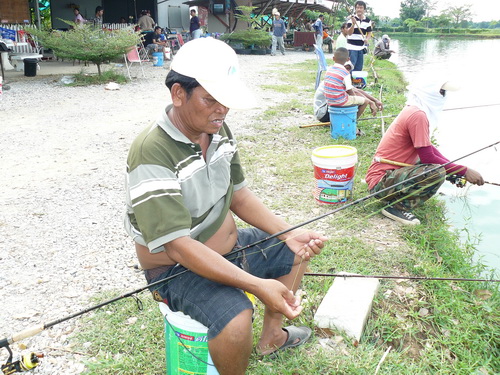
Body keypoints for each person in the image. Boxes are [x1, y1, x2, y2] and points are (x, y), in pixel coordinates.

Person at [124, 37, 327, 374]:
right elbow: (178, 245)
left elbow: (239, 195)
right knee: (235, 320)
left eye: (226, 100)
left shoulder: (217, 129)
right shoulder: (152, 151)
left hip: (229, 247)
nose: (222, 109)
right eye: (211, 99)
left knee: (296, 250)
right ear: (178, 93)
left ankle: (273, 337)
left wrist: (288, 232)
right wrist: (257, 286)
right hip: (176, 270)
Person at [365, 78, 484, 225]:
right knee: (436, 172)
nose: (443, 96)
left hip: (388, 177)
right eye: (441, 92)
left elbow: (432, 151)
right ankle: (396, 208)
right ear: (429, 91)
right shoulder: (418, 116)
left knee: (438, 168)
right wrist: (464, 170)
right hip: (380, 183)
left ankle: (398, 201)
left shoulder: (415, 110)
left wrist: (455, 172)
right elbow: (428, 157)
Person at [314, 60, 382, 123]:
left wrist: (375, 100)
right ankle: (351, 123)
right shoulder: (339, 77)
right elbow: (354, 93)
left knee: (356, 99)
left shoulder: (336, 76)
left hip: (325, 111)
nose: (347, 70)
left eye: (348, 69)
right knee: (362, 101)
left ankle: (346, 121)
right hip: (323, 113)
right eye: (345, 68)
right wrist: (370, 102)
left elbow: (357, 90)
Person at [324, 47, 378, 125]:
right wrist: (356, 101)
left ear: (333, 58)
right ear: (348, 59)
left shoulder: (329, 70)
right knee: (365, 101)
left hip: (329, 101)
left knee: (356, 99)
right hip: (340, 101)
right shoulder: (345, 73)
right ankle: (352, 122)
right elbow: (350, 91)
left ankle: (349, 120)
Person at [346, 1, 372, 72]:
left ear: (364, 9)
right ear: (355, 9)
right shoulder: (351, 19)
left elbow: (369, 32)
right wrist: (353, 24)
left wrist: (367, 39)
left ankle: (356, 82)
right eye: (357, 8)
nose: (359, 9)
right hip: (352, 48)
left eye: (361, 8)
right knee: (350, 67)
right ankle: (348, 82)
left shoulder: (368, 21)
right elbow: (349, 33)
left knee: (359, 68)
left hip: (361, 48)